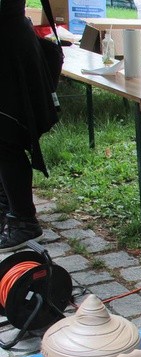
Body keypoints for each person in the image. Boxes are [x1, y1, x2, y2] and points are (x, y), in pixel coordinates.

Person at [0, 0, 58, 252]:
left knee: (5, 138)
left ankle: (23, 220)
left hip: (9, 48)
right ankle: (8, 204)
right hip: (10, 43)